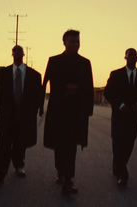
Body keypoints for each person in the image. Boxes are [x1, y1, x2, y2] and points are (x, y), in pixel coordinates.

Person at [41, 30, 94, 195]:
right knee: (59, 145)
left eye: (77, 41)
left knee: (72, 146)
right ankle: (60, 171)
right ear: (64, 42)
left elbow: (89, 87)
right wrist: (39, 106)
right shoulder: (54, 61)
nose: (75, 44)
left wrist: (87, 109)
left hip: (76, 112)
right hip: (58, 110)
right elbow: (46, 83)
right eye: (72, 41)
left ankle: (68, 178)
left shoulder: (85, 63)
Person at [0, 45, 42, 184]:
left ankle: (19, 165)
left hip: (24, 116)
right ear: (12, 54)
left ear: (23, 54)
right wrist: (2, 108)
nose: (17, 53)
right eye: (15, 51)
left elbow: (37, 96)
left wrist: (33, 111)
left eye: (19, 51)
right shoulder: (4, 73)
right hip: (7, 115)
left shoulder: (34, 75)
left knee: (20, 142)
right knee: (3, 143)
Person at [104, 48, 137, 188]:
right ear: (125, 57)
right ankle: (122, 175)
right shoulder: (116, 75)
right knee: (118, 144)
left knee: (129, 144)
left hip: (133, 117)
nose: (132, 57)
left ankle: (117, 167)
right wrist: (120, 105)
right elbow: (108, 93)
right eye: (130, 55)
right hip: (119, 116)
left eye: (135, 55)